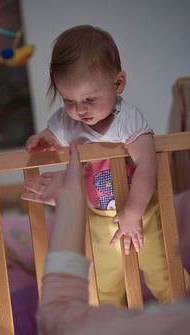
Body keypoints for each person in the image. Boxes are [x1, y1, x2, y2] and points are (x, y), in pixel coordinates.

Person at [21, 25, 189, 307]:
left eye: (89, 99)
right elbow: (55, 136)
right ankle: (112, 326)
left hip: (143, 213)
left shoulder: (128, 120)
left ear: (118, 83)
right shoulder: (67, 120)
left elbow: (147, 166)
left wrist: (133, 212)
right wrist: (44, 139)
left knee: (163, 271)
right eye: (68, 100)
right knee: (104, 282)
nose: (80, 110)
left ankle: (180, 316)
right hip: (99, 217)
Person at [36, 143, 190, 335]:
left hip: (143, 219)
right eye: (71, 108)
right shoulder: (74, 136)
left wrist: (70, 202)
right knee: (103, 288)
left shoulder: (128, 126)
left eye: (90, 106)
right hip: (100, 224)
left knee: (167, 278)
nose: (81, 110)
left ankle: (174, 304)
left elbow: (58, 318)